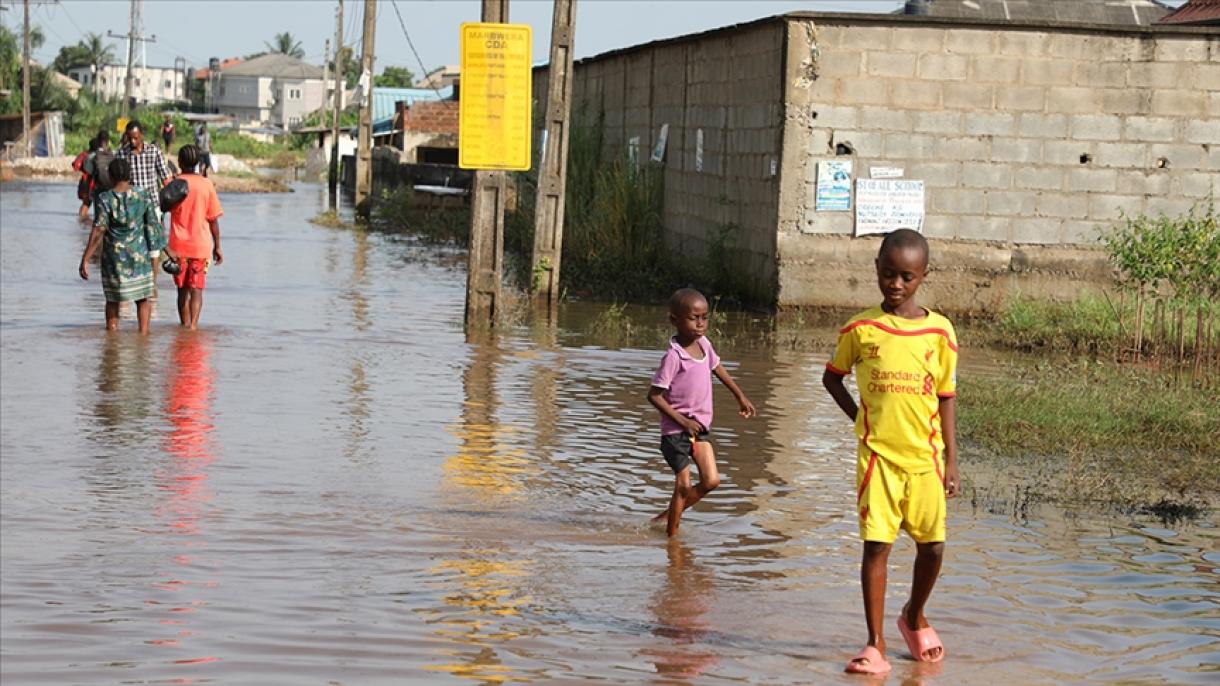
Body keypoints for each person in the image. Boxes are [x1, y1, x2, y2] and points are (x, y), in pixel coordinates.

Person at [821, 229, 960, 675]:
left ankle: (914, 616)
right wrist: (859, 419)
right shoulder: (861, 329)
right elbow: (832, 378)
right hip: (878, 459)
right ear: (876, 269)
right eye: (887, 274)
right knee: (877, 546)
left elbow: (946, 396)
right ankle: (875, 643)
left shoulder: (940, 331)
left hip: (925, 459)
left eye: (905, 277)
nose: (895, 284)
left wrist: (952, 460)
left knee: (933, 547)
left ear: (922, 276)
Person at [648, 288, 756, 537]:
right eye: (693, 318)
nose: (700, 323)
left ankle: (669, 515)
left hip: (698, 428)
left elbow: (718, 369)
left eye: (704, 317)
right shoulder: (674, 357)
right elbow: (653, 395)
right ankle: (672, 542)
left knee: (711, 481)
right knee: (683, 485)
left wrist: (739, 395)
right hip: (676, 431)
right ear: (675, 320)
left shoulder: (704, 345)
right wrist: (682, 421)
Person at [78, 157, 168, 334]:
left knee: (113, 299)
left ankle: (111, 336)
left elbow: (98, 230)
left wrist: (85, 259)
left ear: (111, 176)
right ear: (129, 175)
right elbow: (153, 226)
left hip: (114, 259)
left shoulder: (105, 198)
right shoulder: (143, 195)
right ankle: (143, 336)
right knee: (143, 299)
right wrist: (167, 250)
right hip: (139, 258)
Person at [165, 144, 224, 330]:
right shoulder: (206, 185)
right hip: (201, 247)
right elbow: (213, 220)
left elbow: (161, 209)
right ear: (199, 163)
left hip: (178, 247)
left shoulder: (173, 184)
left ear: (180, 162)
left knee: (182, 290)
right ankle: (193, 328)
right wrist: (218, 246)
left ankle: (183, 325)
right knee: (196, 290)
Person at [72, 137, 96, 220]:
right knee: (88, 203)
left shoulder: (84, 154)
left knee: (86, 203)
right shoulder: (99, 155)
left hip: (85, 181)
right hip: (92, 183)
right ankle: (84, 221)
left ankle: (82, 221)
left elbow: (75, 165)